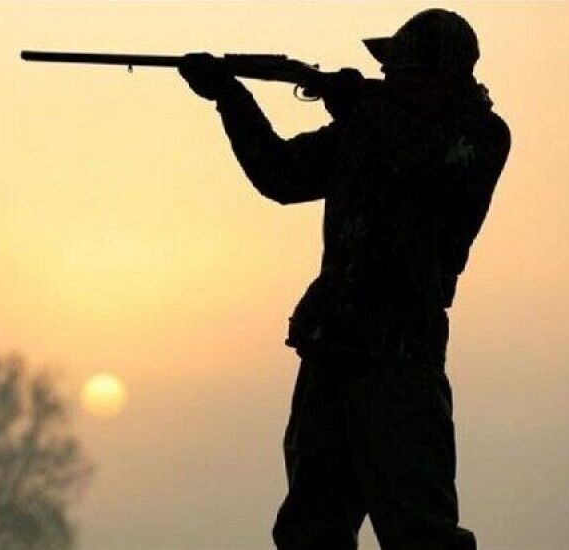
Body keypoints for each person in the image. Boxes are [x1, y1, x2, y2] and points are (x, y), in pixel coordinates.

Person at [179, 9, 511, 550]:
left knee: (421, 531)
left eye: (401, 71)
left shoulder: (479, 136)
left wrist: (360, 107)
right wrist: (231, 98)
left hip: (401, 358)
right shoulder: (368, 126)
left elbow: (422, 169)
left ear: (440, 76)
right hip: (332, 347)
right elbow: (281, 174)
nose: (388, 79)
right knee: (311, 528)